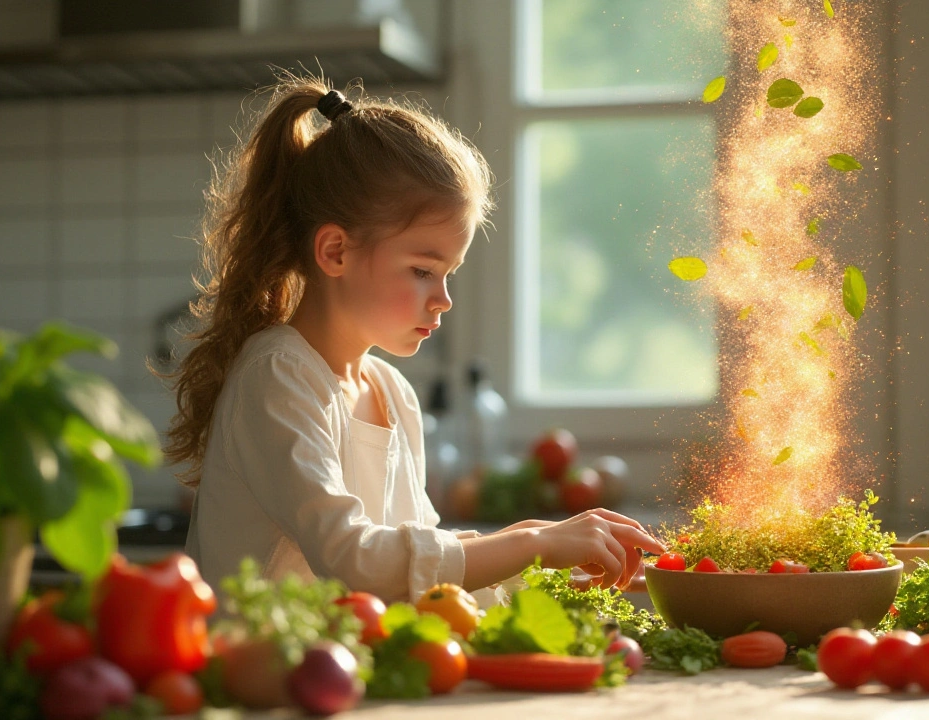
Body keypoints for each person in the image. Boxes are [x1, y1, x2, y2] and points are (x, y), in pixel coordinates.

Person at [163, 76, 665, 606]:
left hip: (356, 676)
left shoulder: (391, 391)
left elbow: (419, 569)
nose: (444, 298)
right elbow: (356, 560)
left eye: (449, 273)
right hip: (264, 679)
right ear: (335, 251)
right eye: (423, 269)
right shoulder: (278, 376)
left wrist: (552, 568)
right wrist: (535, 543)